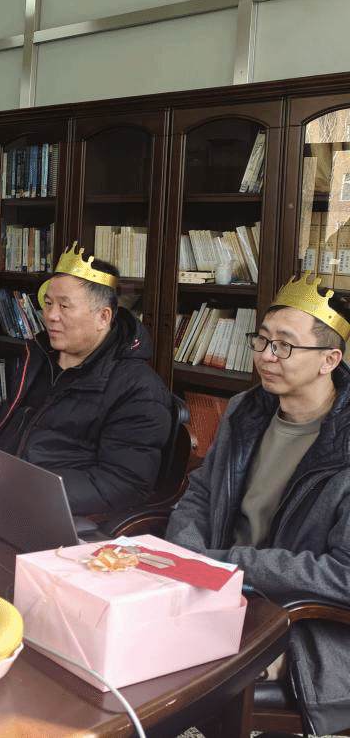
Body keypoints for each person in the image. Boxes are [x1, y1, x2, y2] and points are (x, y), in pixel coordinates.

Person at [166, 272, 350, 734]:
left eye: (284, 346)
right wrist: (188, 554)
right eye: (262, 340)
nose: (266, 355)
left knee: (174, 666)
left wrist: (229, 564)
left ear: (330, 359)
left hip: (302, 619)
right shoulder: (246, 410)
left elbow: (344, 575)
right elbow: (201, 491)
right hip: (218, 584)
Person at [0, 244, 171, 517]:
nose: (50, 316)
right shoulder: (38, 359)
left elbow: (124, 483)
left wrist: (31, 493)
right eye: (48, 303)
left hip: (63, 515)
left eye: (64, 306)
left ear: (103, 317)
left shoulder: (138, 388)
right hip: (1, 491)